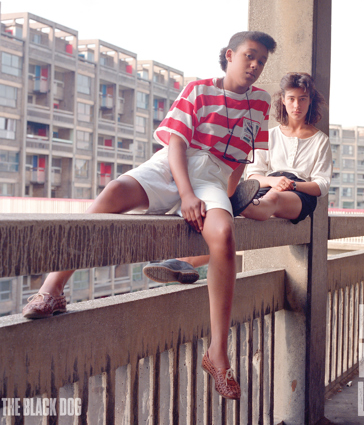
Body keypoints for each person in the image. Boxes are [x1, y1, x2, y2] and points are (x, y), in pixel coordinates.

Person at [22, 31, 277, 401]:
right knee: (113, 192)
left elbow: (240, 159)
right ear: (229, 55)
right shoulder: (199, 89)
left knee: (223, 235)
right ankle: (53, 289)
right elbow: (176, 143)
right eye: (249, 56)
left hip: (213, 176)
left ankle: (217, 353)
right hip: (174, 164)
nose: (255, 65)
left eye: (262, 61)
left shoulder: (261, 102)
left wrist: (226, 199)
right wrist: (185, 194)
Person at [144, 71, 332, 281]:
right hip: (265, 186)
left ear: (310, 101)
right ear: (283, 100)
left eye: (303, 99)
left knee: (273, 198)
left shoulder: (320, 140)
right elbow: (253, 174)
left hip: (300, 194)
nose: (297, 105)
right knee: (229, 226)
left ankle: (243, 205)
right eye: (291, 99)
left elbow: (322, 184)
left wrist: (292, 185)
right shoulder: (269, 135)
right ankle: (184, 262)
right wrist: (273, 181)